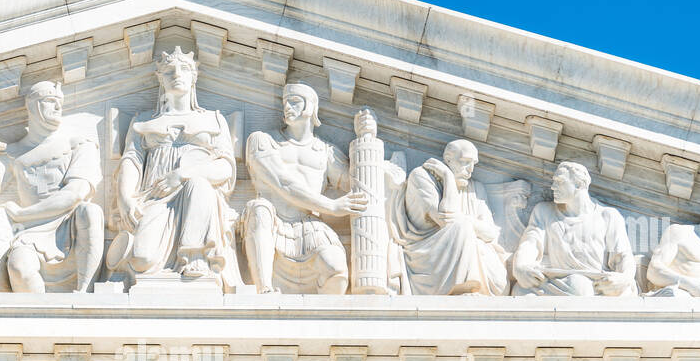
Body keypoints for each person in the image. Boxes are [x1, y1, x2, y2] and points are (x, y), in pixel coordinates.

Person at [108, 47, 242, 289]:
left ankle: (195, 256)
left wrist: (181, 175)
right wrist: (124, 198)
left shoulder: (213, 119)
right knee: (142, 259)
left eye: (184, 69)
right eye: (169, 71)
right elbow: (132, 160)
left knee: (199, 185)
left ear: (194, 77)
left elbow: (225, 168)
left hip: (199, 199)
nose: (177, 74)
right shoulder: (143, 120)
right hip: (155, 197)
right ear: (160, 78)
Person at [242, 83, 366, 294]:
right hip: (271, 222)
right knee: (259, 209)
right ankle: (264, 290)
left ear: (310, 107)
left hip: (309, 226)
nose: (287, 107)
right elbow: (283, 183)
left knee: (336, 271)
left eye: (295, 102)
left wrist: (367, 138)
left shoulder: (325, 152)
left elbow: (356, 185)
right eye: (285, 102)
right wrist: (332, 206)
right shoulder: (263, 141)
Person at [0, 82, 104, 293]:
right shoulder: (13, 154)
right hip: (30, 232)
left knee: (90, 211)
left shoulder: (79, 144)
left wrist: (22, 214)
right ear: (32, 106)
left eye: (60, 102)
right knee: (19, 268)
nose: (58, 108)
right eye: (50, 101)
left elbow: (75, 194)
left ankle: (85, 295)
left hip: (70, 225)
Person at [395, 139, 508, 295]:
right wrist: (448, 178)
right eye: (465, 162)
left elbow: (490, 233)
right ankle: (463, 288)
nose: (470, 170)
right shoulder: (421, 177)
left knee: (498, 278)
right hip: (425, 254)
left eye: (473, 164)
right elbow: (446, 217)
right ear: (448, 159)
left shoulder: (476, 189)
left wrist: (465, 222)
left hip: (462, 250)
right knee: (461, 227)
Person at [512, 161, 635, 296]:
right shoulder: (543, 211)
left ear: (579, 184)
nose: (553, 187)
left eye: (559, 181)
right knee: (520, 290)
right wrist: (520, 267)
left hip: (596, 285)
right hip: (552, 283)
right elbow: (530, 243)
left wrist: (625, 278)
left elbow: (623, 256)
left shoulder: (608, 216)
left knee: (580, 287)